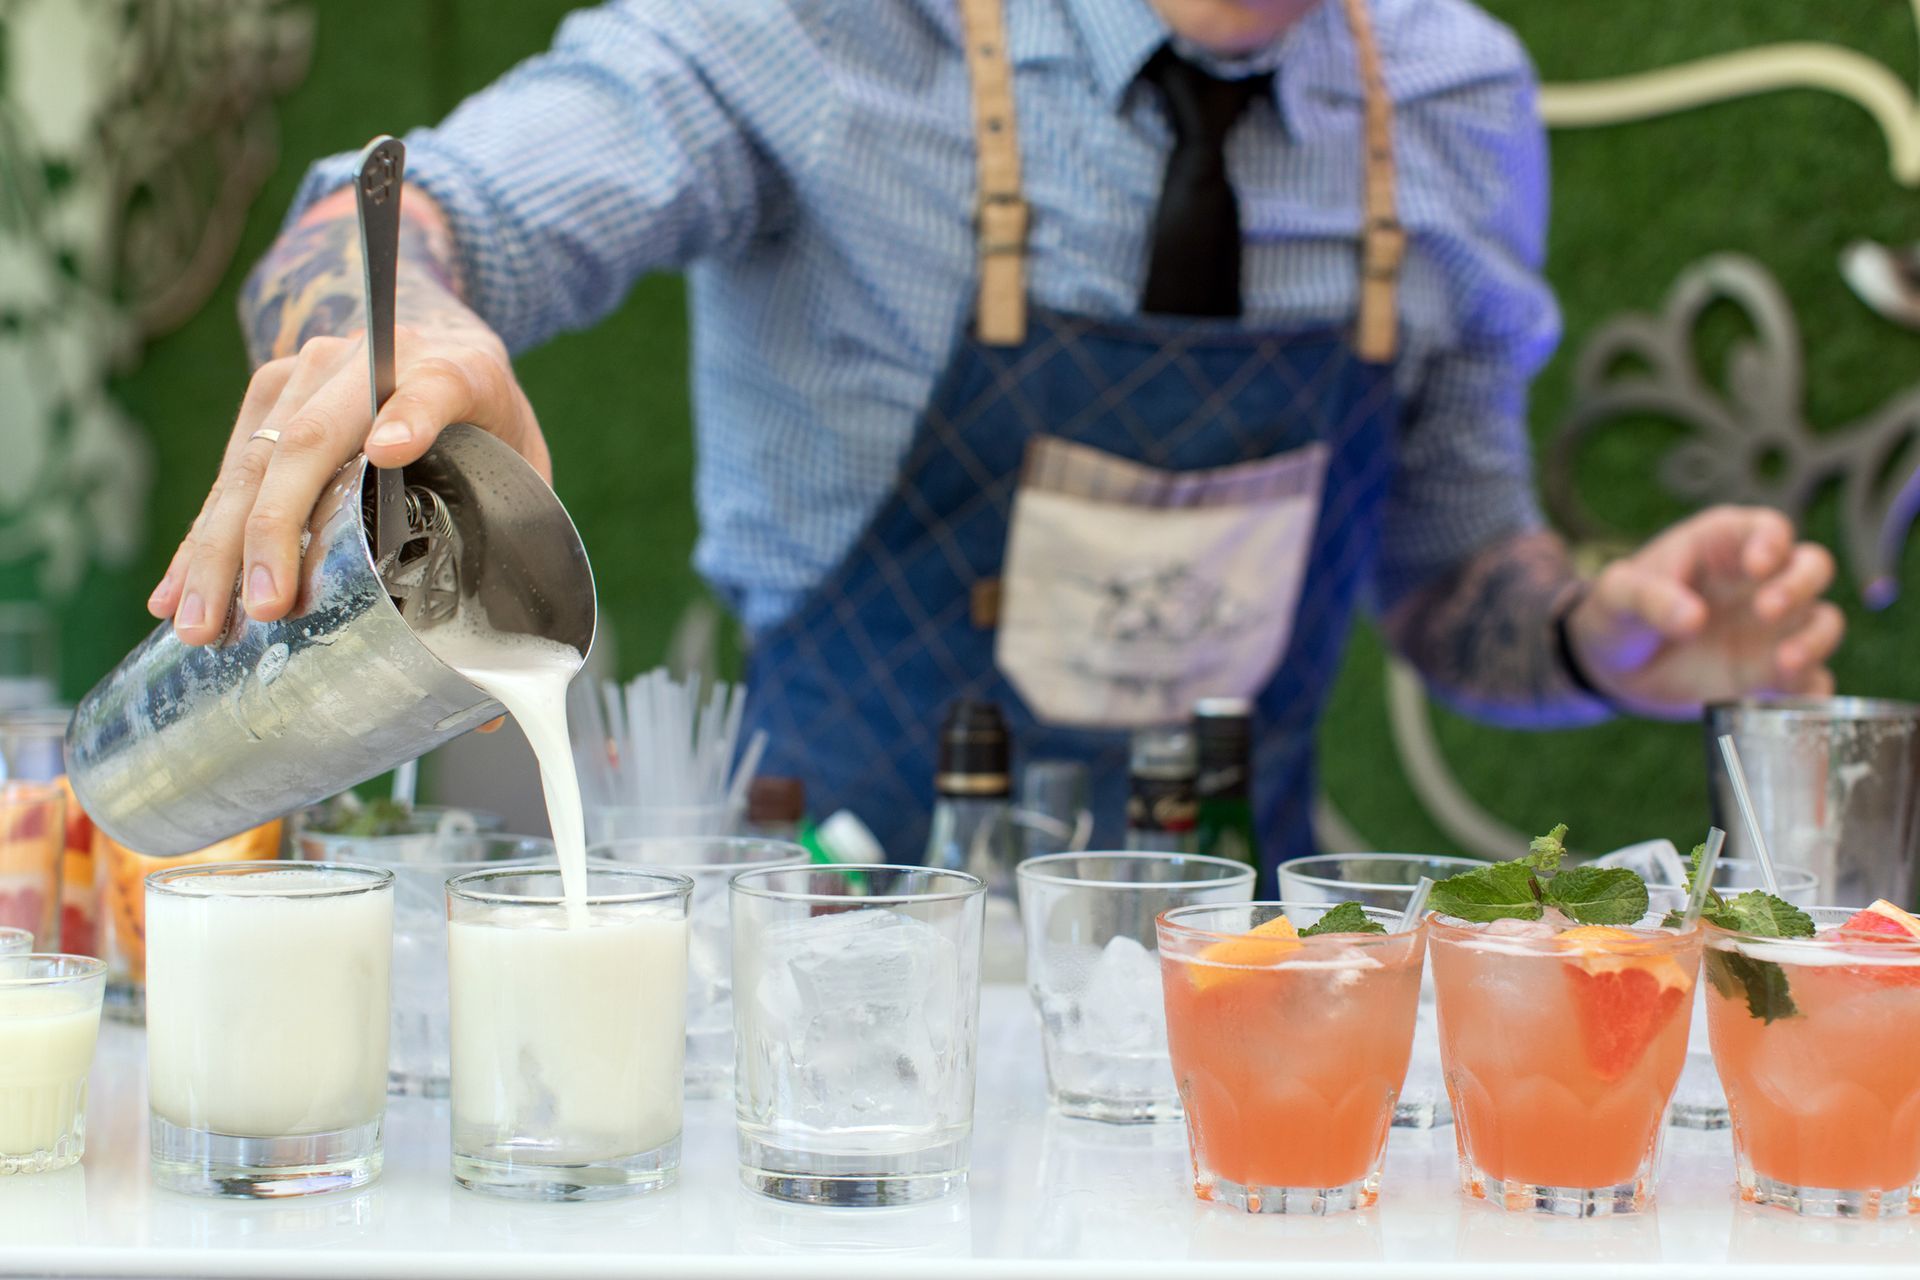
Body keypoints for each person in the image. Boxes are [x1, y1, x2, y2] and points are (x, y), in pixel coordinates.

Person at [147, 0, 1843, 866]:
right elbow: (411, 209)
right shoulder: (822, 39)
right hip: (828, 959)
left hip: (1234, 983)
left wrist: (1607, 637)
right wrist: (393, 322)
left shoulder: (1454, 92)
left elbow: (1459, 590)